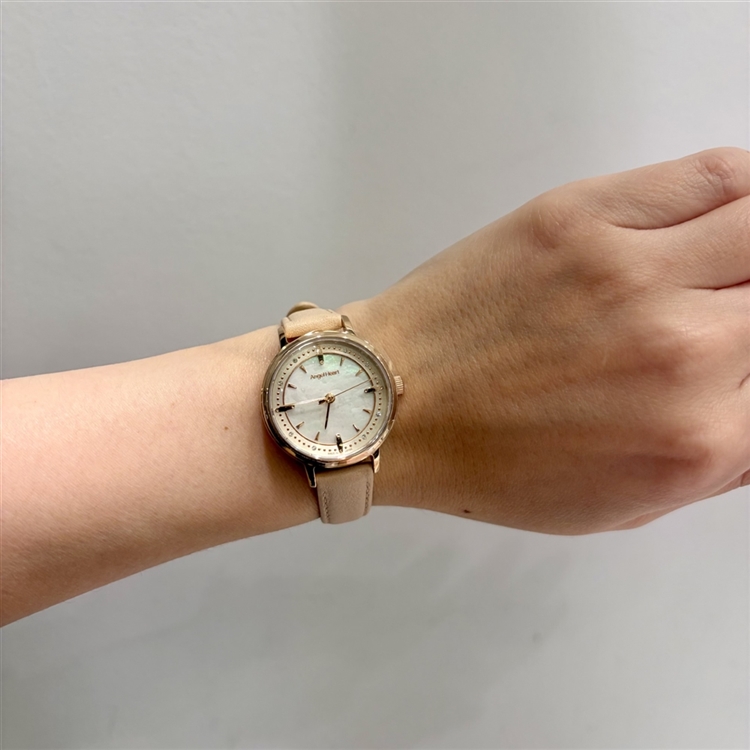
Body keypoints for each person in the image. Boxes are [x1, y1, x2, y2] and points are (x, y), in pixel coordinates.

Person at [2, 147, 748, 626]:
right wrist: (414, 367)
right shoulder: (323, 367)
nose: (329, 398)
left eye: (343, 390)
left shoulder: (340, 376)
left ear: (383, 385)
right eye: (329, 392)